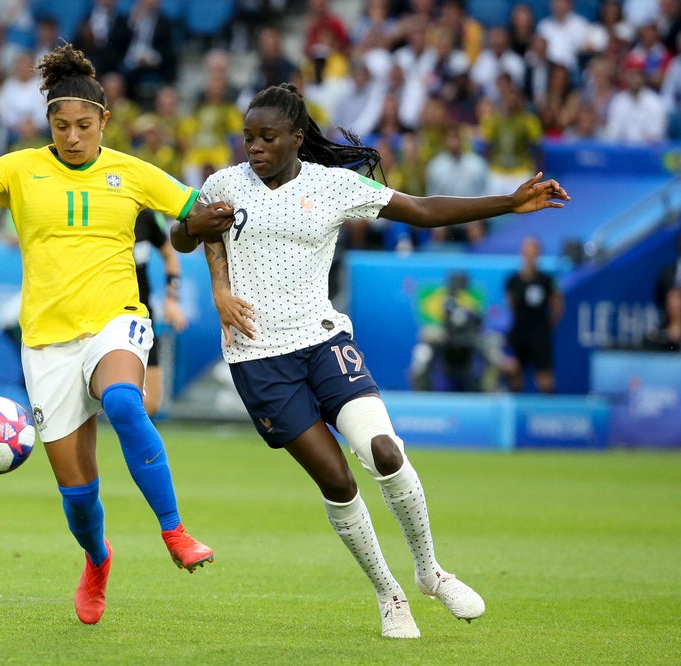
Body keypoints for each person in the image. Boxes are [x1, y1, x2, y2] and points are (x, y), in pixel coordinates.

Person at [170, 83, 570, 639]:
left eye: (267, 137)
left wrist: (509, 202)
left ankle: (431, 571)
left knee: (383, 450)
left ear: (297, 138)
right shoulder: (224, 183)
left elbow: (423, 210)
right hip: (259, 358)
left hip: (323, 339)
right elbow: (187, 234)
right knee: (336, 481)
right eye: (248, 139)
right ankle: (390, 595)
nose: (254, 148)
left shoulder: (333, 184)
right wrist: (201, 249)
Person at [0, 44, 231, 626]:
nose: (73, 136)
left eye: (84, 125)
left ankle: (175, 531)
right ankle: (97, 560)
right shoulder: (22, 169)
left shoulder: (132, 173)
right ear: (48, 124)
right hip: (47, 344)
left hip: (116, 321)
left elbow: (197, 213)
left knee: (125, 403)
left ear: (104, 122)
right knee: (78, 493)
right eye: (61, 126)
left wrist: (214, 258)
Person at [133, 209, 187, 417]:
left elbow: (169, 256)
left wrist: (171, 299)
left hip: (141, 314)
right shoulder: (97, 208)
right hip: (103, 315)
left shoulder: (147, 216)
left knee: (151, 403)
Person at [504, 236, 564, 393]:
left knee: (545, 378)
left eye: (533, 252)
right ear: (522, 253)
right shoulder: (512, 280)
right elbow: (511, 305)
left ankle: (549, 414)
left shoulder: (547, 280)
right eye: (527, 251)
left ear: (539, 254)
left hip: (540, 334)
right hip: (519, 333)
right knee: (515, 374)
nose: (530, 256)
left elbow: (557, 305)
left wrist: (546, 325)